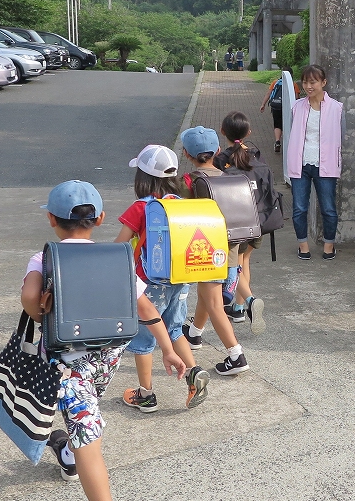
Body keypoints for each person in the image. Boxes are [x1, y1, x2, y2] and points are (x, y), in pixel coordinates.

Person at [22, 180, 187, 501]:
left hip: (67, 362)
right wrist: (168, 350)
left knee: (87, 438)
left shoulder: (46, 259)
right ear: (100, 219)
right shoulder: (117, 258)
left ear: (51, 219)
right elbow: (146, 309)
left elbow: (31, 298)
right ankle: (66, 455)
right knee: (83, 411)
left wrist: (39, 308)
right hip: (106, 359)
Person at [114, 145, 211, 411]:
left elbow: (119, 247)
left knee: (144, 340)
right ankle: (193, 373)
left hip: (149, 284)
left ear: (142, 178)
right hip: (180, 280)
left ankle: (145, 395)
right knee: (174, 329)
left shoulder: (140, 208)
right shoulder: (181, 205)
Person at [178, 126, 252, 375]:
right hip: (230, 250)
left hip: (203, 251)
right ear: (218, 151)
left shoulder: (189, 182)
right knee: (208, 296)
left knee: (213, 302)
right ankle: (195, 334)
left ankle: (236, 355)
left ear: (186, 154)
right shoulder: (230, 178)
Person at [213, 111, 271, 334]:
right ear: (249, 132)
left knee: (236, 264)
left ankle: (248, 300)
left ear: (223, 132)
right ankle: (237, 308)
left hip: (234, 223)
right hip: (257, 220)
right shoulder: (256, 155)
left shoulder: (222, 160)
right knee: (245, 261)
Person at [286, 64, 344, 260]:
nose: (308, 86)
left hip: (325, 164)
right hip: (300, 163)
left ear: (323, 82)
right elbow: (291, 133)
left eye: (313, 82)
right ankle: (303, 245)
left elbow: (341, 136)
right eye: (305, 82)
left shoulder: (336, 108)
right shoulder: (297, 107)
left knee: (328, 208)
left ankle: (329, 245)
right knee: (299, 207)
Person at [260, 68, 300, 153]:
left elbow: (269, 93)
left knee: (277, 124)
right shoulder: (293, 84)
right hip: (288, 108)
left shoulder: (275, 83)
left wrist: (263, 104)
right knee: (287, 124)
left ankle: (277, 141)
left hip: (276, 106)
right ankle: (288, 143)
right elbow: (296, 97)